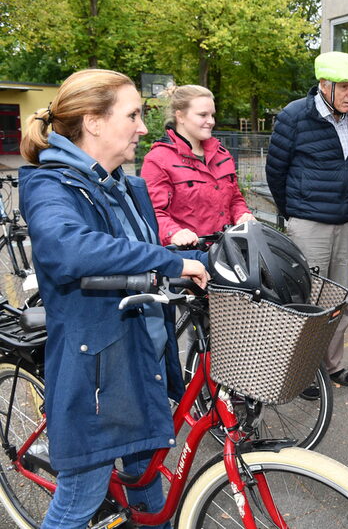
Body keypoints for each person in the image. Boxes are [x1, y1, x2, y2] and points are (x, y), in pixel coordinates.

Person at [17, 69, 208, 528]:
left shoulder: (126, 184)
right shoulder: (49, 186)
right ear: (94, 122)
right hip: (98, 376)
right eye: (134, 114)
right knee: (76, 505)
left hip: (142, 361)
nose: (144, 127)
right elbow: (67, 247)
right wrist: (170, 263)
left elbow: (145, 256)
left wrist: (214, 257)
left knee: (148, 490)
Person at [266, 51, 348, 388]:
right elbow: (275, 171)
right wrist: (294, 211)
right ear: (324, 85)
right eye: (345, 87)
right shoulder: (294, 116)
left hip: (344, 220)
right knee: (305, 299)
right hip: (309, 223)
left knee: (338, 298)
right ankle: (302, 372)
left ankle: (332, 364)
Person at [141, 84, 255, 246]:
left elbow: (235, 199)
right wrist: (174, 232)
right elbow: (152, 212)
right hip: (187, 256)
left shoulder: (221, 154)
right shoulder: (158, 159)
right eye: (203, 115)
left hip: (227, 250)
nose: (211, 121)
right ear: (180, 116)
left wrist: (242, 214)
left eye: (212, 115)